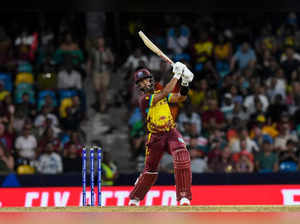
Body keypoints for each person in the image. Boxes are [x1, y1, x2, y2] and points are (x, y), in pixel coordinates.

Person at [128, 62, 194, 206]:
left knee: (182, 156)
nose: (145, 82)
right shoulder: (144, 100)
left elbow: (180, 97)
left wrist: (185, 82)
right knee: (150, 171)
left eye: (146, 79)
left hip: (171, 132)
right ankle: (135, 197)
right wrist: (176, 75)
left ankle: (184, 196)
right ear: (139, 86)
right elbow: (165, 92)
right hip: (155, 137)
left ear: (151, 79)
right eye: (141, 81)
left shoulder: (161, 94)